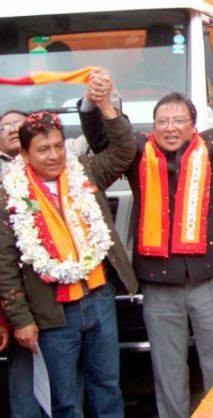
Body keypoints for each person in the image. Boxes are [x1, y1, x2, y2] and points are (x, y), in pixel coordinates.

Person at [79, 73, 213, 418]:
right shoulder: (137, 150)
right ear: (152, 126)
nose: (170, 128)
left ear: (193, 125)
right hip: (159, 282)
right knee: (167, 369)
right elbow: (101, 139)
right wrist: (95, 103)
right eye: (162, 121)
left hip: (208, 279)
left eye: (179, 120)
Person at [0, 74, 138, 418]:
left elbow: (123, 151)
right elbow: (4, 265)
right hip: (52, 313)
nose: (53, 156)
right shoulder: (9, 195)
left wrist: (105, 106)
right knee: (65, 401)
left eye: (59, 146)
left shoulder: (85, 171)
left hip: (99, 300)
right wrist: (20, 319)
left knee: (107, 387)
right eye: (43, 150)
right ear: (25, 154)